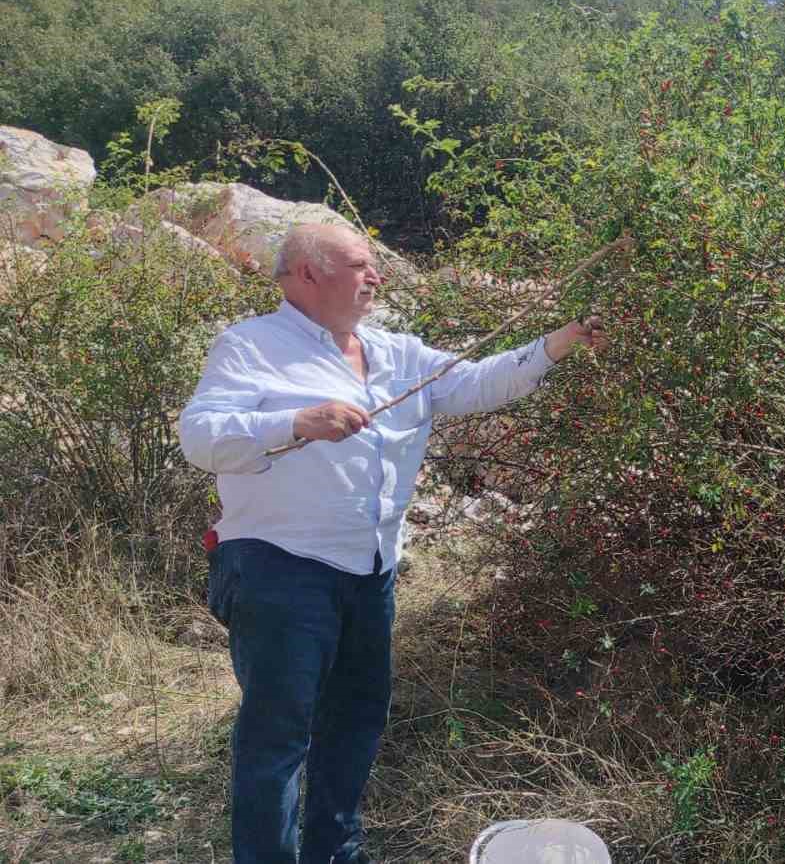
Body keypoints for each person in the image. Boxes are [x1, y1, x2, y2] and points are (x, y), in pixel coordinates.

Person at [179, 222, 605, 864]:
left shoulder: (397, 353)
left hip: (369, 571)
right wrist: (296, 421)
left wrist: (559, 343)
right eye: (359, 265)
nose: (375, 276)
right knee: (278, 737)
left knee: (354, 725)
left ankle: (336, 854)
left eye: (375, 265)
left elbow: (478, 382)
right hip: (278, 568)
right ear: (307, 275)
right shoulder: (250, 347)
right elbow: (201, 436)